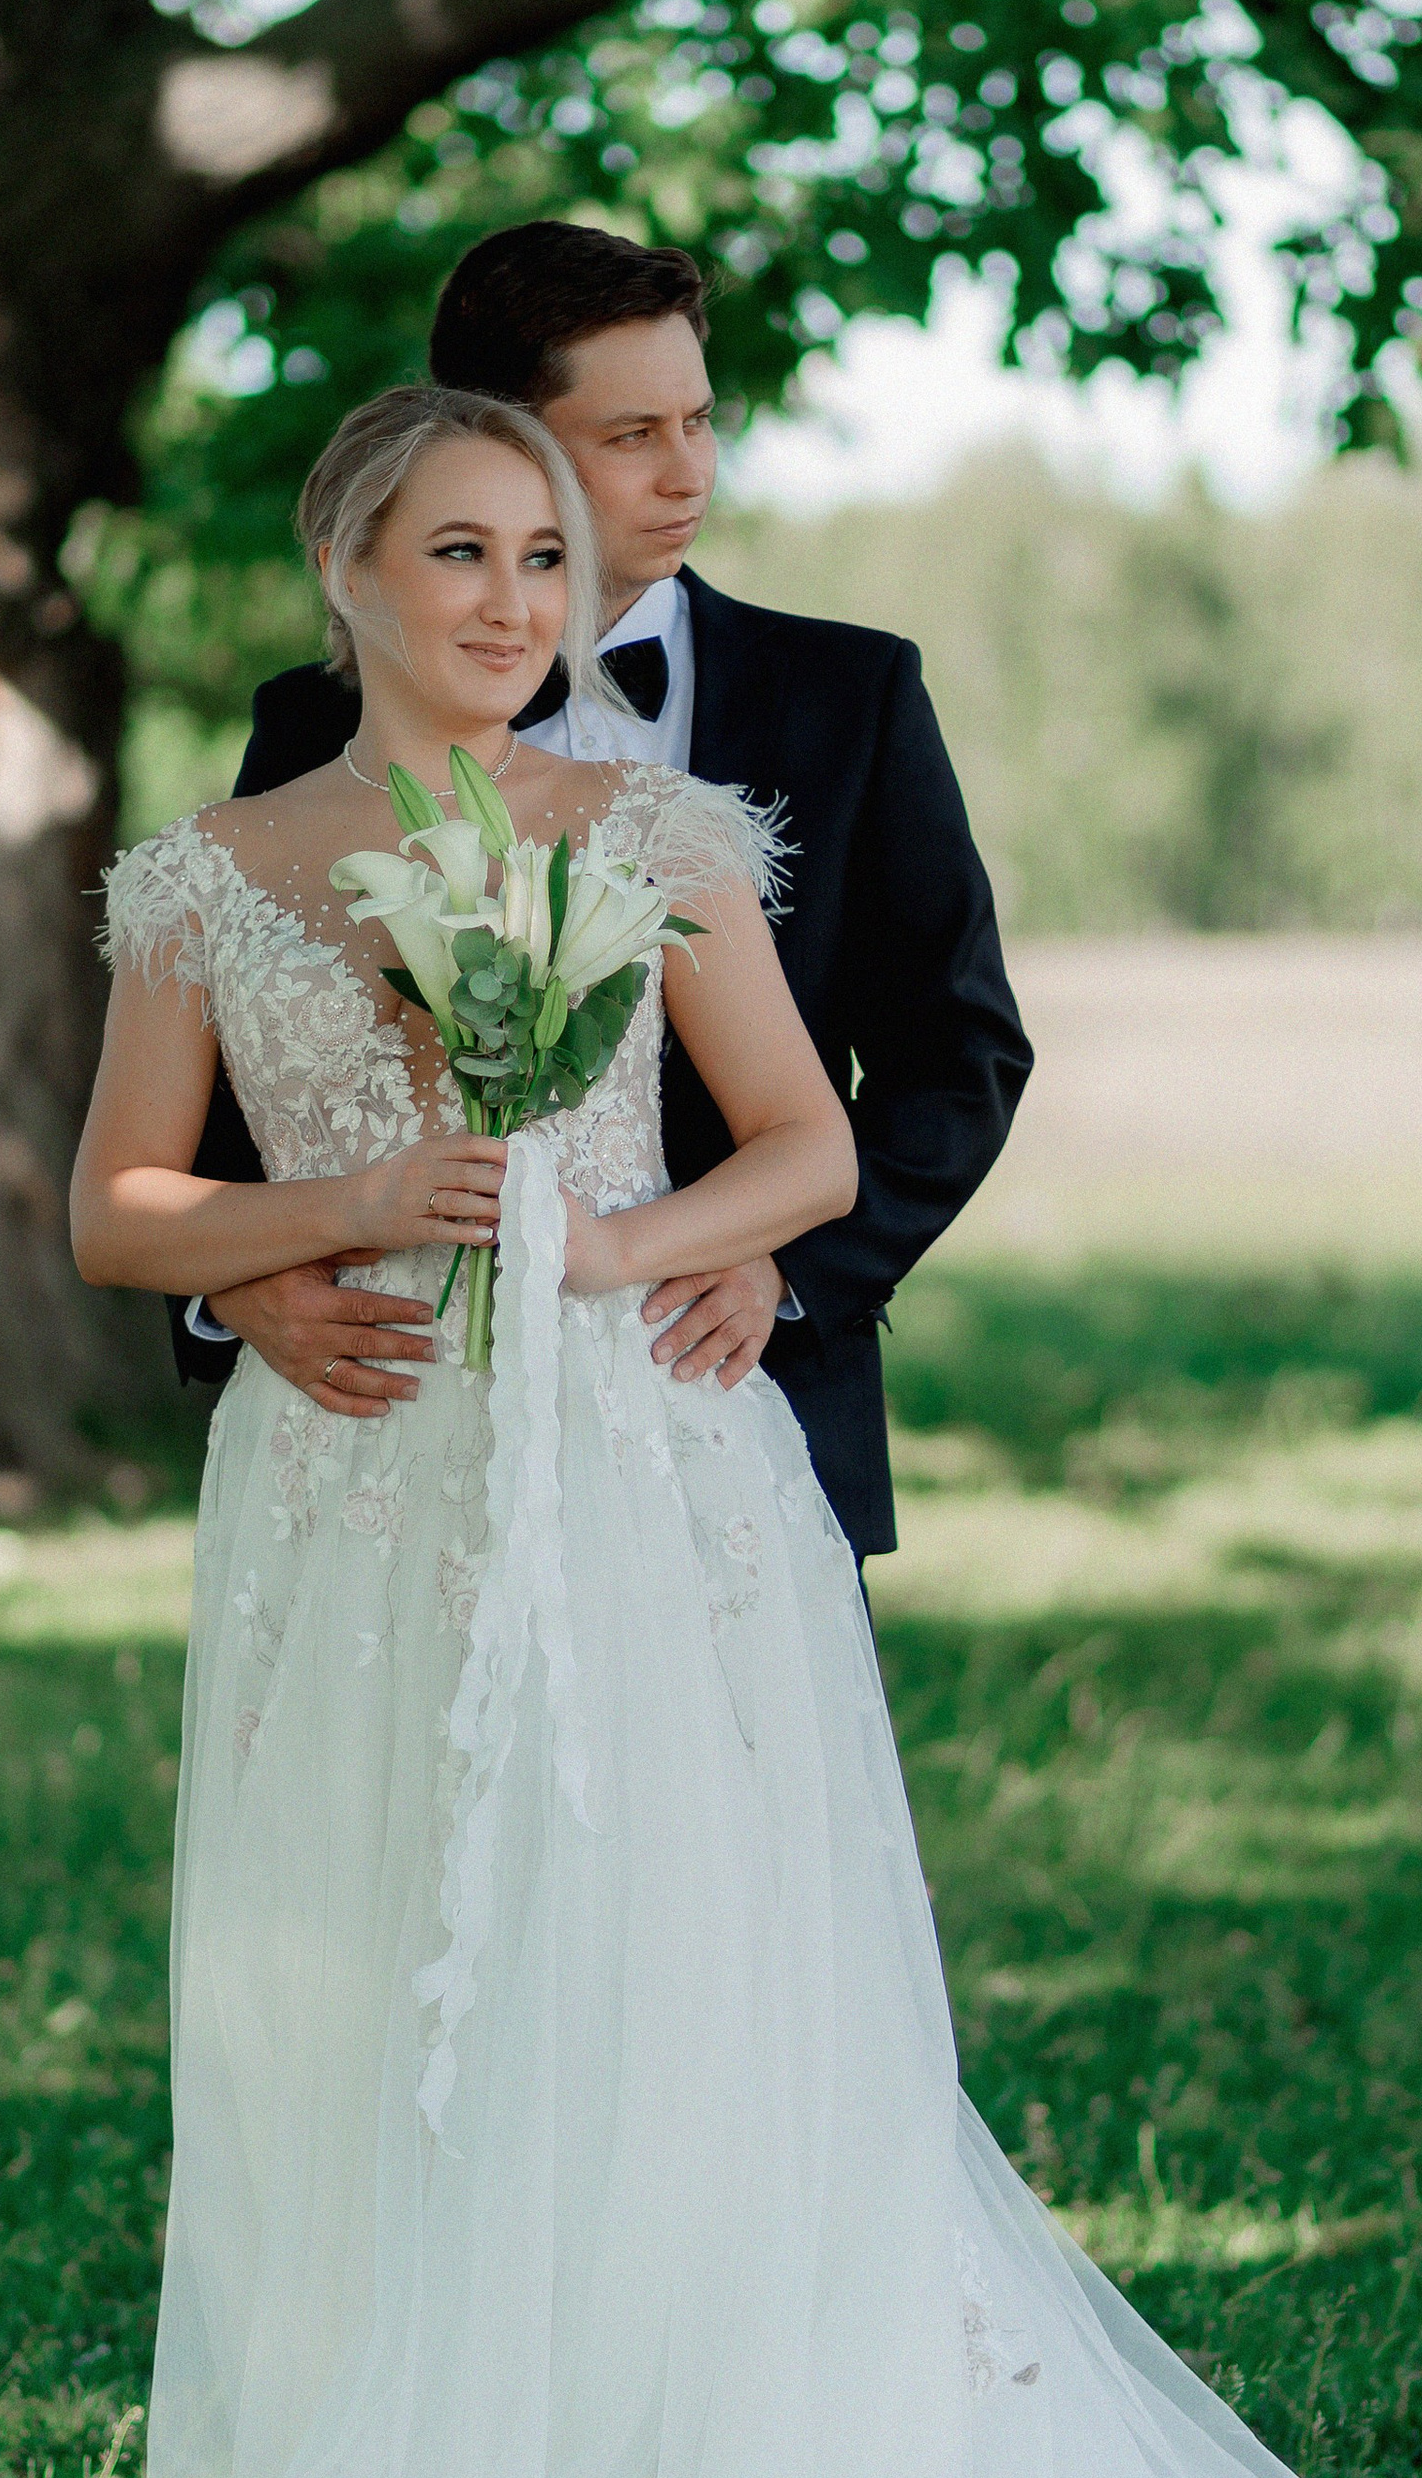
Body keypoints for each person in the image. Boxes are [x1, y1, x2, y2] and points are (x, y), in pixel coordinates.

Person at [74, 380, 1422, 2478]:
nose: (516, 607)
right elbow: (117, 1205)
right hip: (352, 1498)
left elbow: (810, 1139)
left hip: (640, 1480)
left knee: (660, 1978)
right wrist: (309, 1221)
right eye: (461, 557)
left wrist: (607, 1242)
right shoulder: (209, 874)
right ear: (345, 572)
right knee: (371, 1984)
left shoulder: (648, 839)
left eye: (546, 560)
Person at [167, 222, 1031, 1562]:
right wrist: (245, 1281)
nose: (689, 470)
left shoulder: (847, 701)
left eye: (700, 418)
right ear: (494, 440)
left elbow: (957, 1051)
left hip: (739, 1404)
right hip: (391, 1448)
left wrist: (787, 1266)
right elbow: (242, 1061)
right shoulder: (309, 723)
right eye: (633, 435)